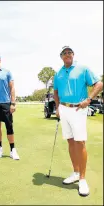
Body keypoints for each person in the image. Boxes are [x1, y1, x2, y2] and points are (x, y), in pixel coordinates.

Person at [54, 46, 103, 196]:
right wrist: (57, 108)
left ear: (73, 55)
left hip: (78, 109)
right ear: (61, 56)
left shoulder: (83, 68)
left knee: (80, 142)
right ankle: (75, 172)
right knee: (70, 141)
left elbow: (99, 84)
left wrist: (89, 99)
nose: (67, 55)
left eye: (69, 52)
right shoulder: (58, 74)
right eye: (64, 53)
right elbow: (55, 91)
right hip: (64, 109)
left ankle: (82, 179)